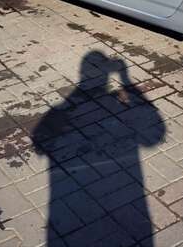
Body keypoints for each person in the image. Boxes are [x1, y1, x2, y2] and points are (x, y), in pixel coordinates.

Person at [33, 50, 165, 246]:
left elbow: (39, 145)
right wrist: (125, 80)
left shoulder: (56, 113)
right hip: (126, 188)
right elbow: (154, 136)